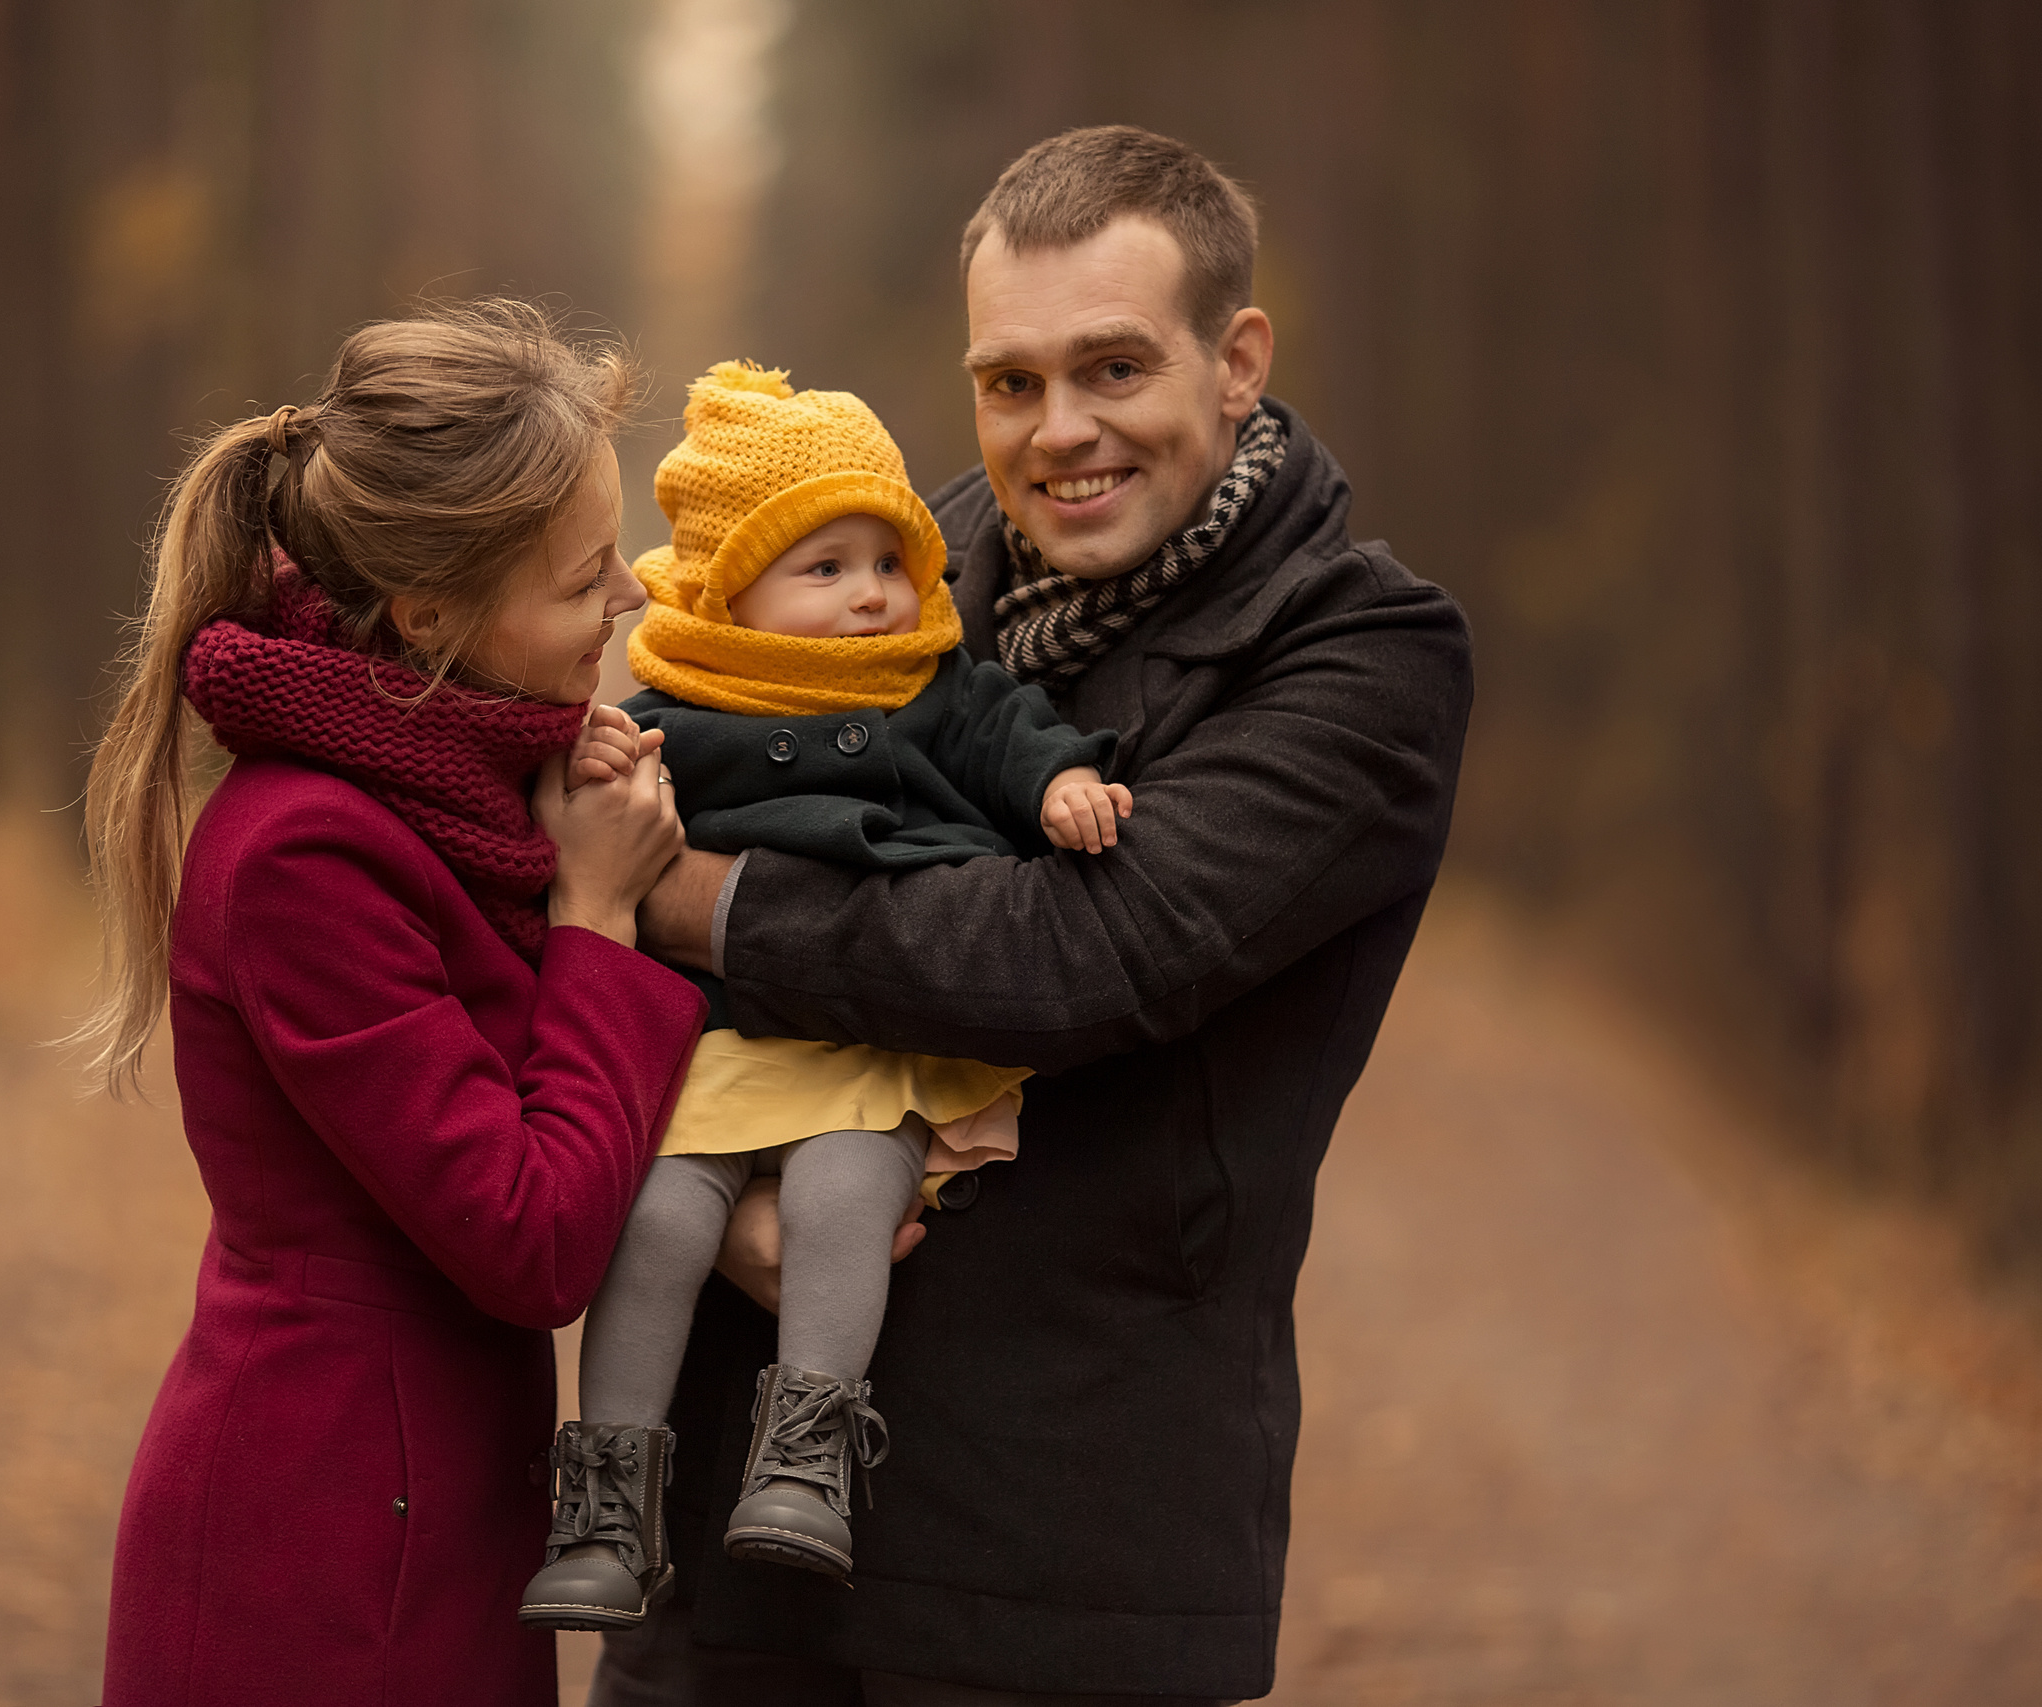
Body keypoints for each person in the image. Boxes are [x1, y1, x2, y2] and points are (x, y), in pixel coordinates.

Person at [595, 126, 1475, 1706]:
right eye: (1010, 382)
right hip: (735, 1530)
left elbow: (1086, 952)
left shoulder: (1361, 659)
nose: (1058, 431)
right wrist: (710, 1187)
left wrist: (699, 899)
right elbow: (609, 827)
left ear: (1237, 360)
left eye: (1114, 367)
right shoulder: (874, 576)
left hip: (1064, 1548)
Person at [75, 301, 710, 1705]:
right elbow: (532, 1232)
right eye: (582, 575)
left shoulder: (452, 792)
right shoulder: (310, 849)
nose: (630, 598)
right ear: (427, 615)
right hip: (322, 1552)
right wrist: (598, 916)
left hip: (430, 1507)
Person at [517, 362, 1132, 1632]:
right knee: (659, 1222)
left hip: (868, 1034)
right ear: (732, 592)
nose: (870, 596)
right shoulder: (680, 709)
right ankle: (606, 1498)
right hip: (720, 1046)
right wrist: (588, 765)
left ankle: (807, 1456)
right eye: (824, 568)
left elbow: (1014, 739)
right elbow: (601, 807)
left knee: (850, 1190)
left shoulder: (933, 686)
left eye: (886, 561)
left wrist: (1060, 787)